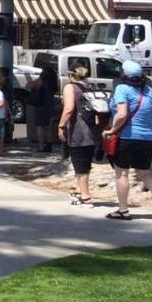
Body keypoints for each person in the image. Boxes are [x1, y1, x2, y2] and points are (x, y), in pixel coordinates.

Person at [104, 60, 152, 221]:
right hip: (147, 138)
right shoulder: (149, 91)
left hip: (127, 137)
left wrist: (112, 130)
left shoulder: (122, 89)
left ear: (124, 74)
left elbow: (121, 115)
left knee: (122, 173)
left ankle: (123, 210)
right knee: (145, 173)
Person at [57, 65, 97, 207]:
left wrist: (61, 126)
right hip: (91, 130)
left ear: (70, 74)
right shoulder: (89, 87)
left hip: (77, 129)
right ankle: (79, 192)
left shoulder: (70, 87)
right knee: (85, 162)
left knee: (79, 163)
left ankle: (86, 197)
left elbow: (69, 109)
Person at [28, 63, 61, 152]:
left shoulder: (40, 81)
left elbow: (28, 85)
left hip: (41, 105)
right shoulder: (53, 82)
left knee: (40, 126)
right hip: (50, 104)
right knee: (48, 126)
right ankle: (49, 144)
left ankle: (41, 146)